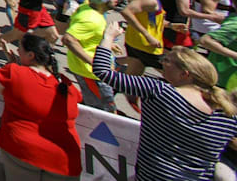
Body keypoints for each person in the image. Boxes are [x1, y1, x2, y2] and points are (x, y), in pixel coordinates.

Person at [95, 21, 237, 180]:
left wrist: (108, 37)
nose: (162, 64)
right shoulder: (228, 113)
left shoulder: (158, 91)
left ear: (185, 74)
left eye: (167, 61)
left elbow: (103, 71)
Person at [0, 34, 83, 180]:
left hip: (24, 150)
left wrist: (13, 66)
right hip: (64, 159)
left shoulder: (14, 72)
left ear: (30, 55)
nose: (18, 52)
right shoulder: (65, 84)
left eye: (19, 48)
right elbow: (77, 99)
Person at [61, 0, 119, 113]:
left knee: (98, 104)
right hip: (91, 73)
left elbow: (72, 23)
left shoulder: (87, 6)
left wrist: (104, 42)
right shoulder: (91, 19)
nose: (116, 0)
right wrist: (93, 62)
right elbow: (68, 39)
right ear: (102, 1)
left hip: (90, 70)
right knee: (104, 111)